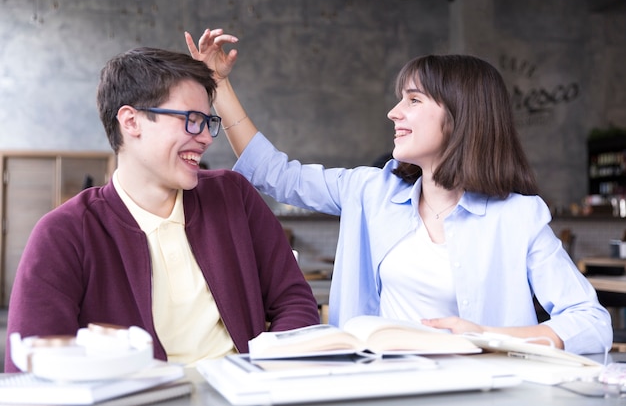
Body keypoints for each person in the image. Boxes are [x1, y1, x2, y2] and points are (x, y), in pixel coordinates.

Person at [184, 28, 613, 355]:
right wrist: (219, 88)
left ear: (461, 116)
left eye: (413, 100)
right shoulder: (369, 191)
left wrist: (487, 337)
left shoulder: (519, 216)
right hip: (380, 386)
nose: (394, 112)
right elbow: (274, 173)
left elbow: (591, 323)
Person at [4, 47, 320, 372]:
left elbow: (293, 300)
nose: (206, 139)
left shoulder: (233, 196)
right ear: (131, 122)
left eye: (207, 121)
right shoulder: (65, 233)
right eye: (191, 120)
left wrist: (265, 375)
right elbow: (30, 371)